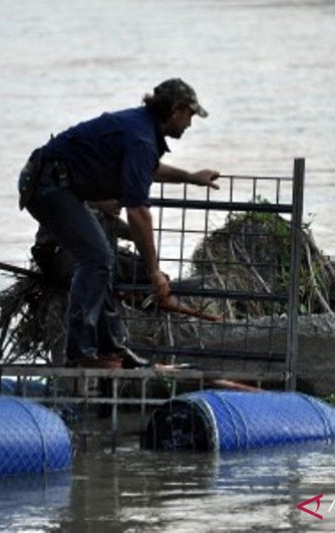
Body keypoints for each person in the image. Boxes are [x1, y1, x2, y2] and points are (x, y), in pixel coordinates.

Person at [18, 78, 220, 368]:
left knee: (102, 260)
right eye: (190, 114)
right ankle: (82, 352)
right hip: (48, 185)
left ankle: (111, 349)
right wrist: (154, 273)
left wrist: (189, 177)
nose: (190, 123)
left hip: (59, 184)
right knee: (97, 257)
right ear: (175, 109)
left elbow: (148, 168)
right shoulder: (141, 137)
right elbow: (138, 212)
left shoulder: (141, 130)